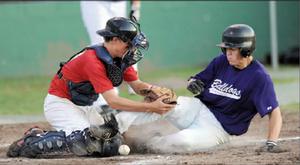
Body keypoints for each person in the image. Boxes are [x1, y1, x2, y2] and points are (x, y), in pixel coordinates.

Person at [6, 17, 175, 158]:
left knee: (110, 141)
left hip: (90, 104)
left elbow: (137, 85)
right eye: (129, 44)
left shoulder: (120, 58)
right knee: (85, 142)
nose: (132, 49)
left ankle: (69, 133)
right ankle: (32, 140)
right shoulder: (92, 60)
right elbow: (113, 101)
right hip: (62, 104)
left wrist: (153, 89)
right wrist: (150, 107)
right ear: (115, 40)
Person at [110, 24, 284, 154]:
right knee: (162, 101)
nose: (227, 52)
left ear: (246, 50)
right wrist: (193, 82)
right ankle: (111, 127)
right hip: (197, 109)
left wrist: (272, 142)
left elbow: (274, 112)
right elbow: (197, 79)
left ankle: (145, 144)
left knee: (182, 142)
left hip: (218, 129)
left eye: (232, 49)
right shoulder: (221, 61)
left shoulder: (259, 77)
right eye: (226, 48)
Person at [80, 0, 141, 98]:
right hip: (95, 3)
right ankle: (104, 96)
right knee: (101, 43)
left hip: (119, 3)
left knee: (124, 39)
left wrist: (136, 4)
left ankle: (132, 79)